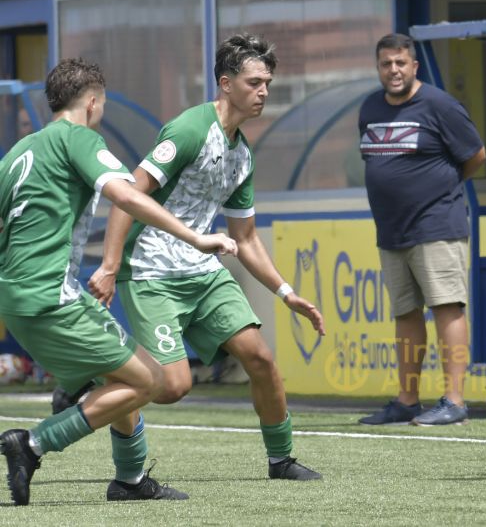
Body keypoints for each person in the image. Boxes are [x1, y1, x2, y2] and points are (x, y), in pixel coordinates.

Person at [83, 33, 325, 480]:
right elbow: (126, 198)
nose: (264, 92)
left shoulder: (242, 155)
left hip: (202, 272)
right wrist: (110, 266)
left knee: (261, 359)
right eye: (254, 82)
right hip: (152, 273)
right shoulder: (190, 129)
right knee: (171, 387)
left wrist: (285, 292)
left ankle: (281, 460)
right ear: (225, 83)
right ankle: (119, 419)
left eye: (268, 82)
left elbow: (246, 238)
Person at [0, 57, 238, 505]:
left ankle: (128, 480)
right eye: (102, 103)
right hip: (51, 297)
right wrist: (195, 236)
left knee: (125, 373)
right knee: (150, 382)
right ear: (92, 102)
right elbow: (127, 195)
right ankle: (32, 445)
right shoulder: (79, 138)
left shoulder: (17, 153)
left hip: (20, 297)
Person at [357, 33, 486, 426]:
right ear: (378, 67)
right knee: (406, 315)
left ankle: (454, 401)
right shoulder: (369, 107)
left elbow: (476, 156)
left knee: (447, 307)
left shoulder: (440, 105)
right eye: (386, 64)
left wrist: (438, 192)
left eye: (400, 63)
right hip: (391, 231)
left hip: (437, 226)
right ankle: (407, 400)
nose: (393, 70)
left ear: (414, 66)